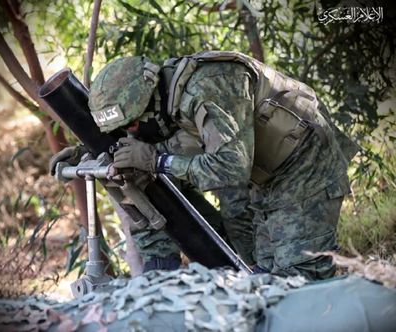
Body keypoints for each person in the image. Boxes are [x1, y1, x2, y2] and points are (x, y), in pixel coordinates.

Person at [51, 51, 358, 280]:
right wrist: (86, 151)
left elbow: (229, 170)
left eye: (131, 125)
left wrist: (157, 162)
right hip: (265, 178)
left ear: (148, 101)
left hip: (305, 166)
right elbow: (162, 137)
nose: (131, 132)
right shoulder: (162, 99)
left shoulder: (209, 89)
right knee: (265, 278)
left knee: (301, 278)